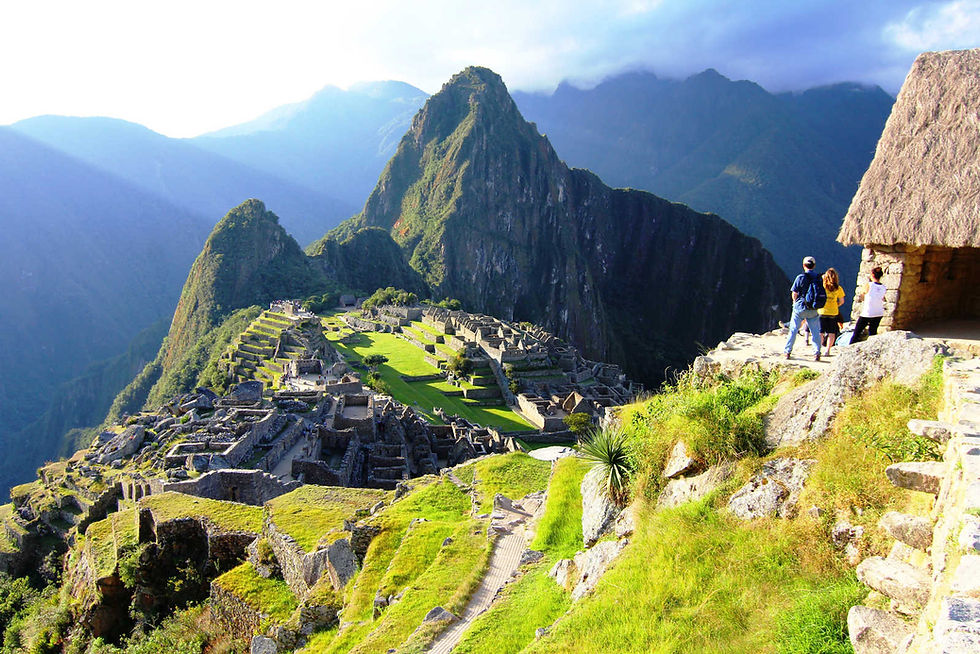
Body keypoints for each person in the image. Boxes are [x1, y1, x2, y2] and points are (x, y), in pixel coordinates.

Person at [784, 256, 824, 361]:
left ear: (803, 265)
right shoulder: (819, 278)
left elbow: (794, 293)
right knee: (815, 332)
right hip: (813, 309)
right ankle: (817, 353)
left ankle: (787, 351)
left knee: (793, 330)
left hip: (800, 308)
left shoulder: (800, 277)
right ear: (814, 266)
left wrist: (795, 303)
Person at [853, 266, 886, 341]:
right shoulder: (883, 287)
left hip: (868, 312)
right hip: (878, 312)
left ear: (873, 275)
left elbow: (861, 296)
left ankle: (851, 346)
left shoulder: (868, 285)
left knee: (857, 332)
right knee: (873, 332)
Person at [818, 268, 846, 356]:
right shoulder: (838, 288)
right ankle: (827, 350)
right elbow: (842, 301)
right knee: (831, 333)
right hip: (833, 312)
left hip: (821, 311)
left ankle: (819, 350)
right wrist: (836, 305)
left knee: (820, 332)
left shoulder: (822, 286)